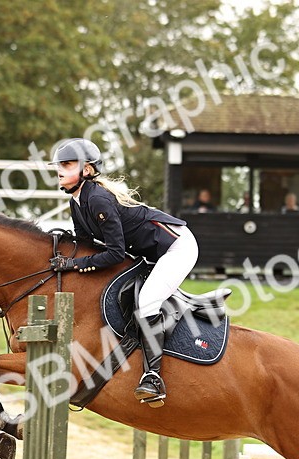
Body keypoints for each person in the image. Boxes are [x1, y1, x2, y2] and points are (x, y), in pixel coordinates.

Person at [50, 137, 198, 407]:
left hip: (177, 247)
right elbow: (88, 246)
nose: (59, 170)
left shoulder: (97, 198)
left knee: (147, 301)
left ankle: (153, 377)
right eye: (59, 165)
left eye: (67, 164)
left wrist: (73, 265)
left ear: (87, 170)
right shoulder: (77, 201)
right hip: (151, 252)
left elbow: (115, 253)